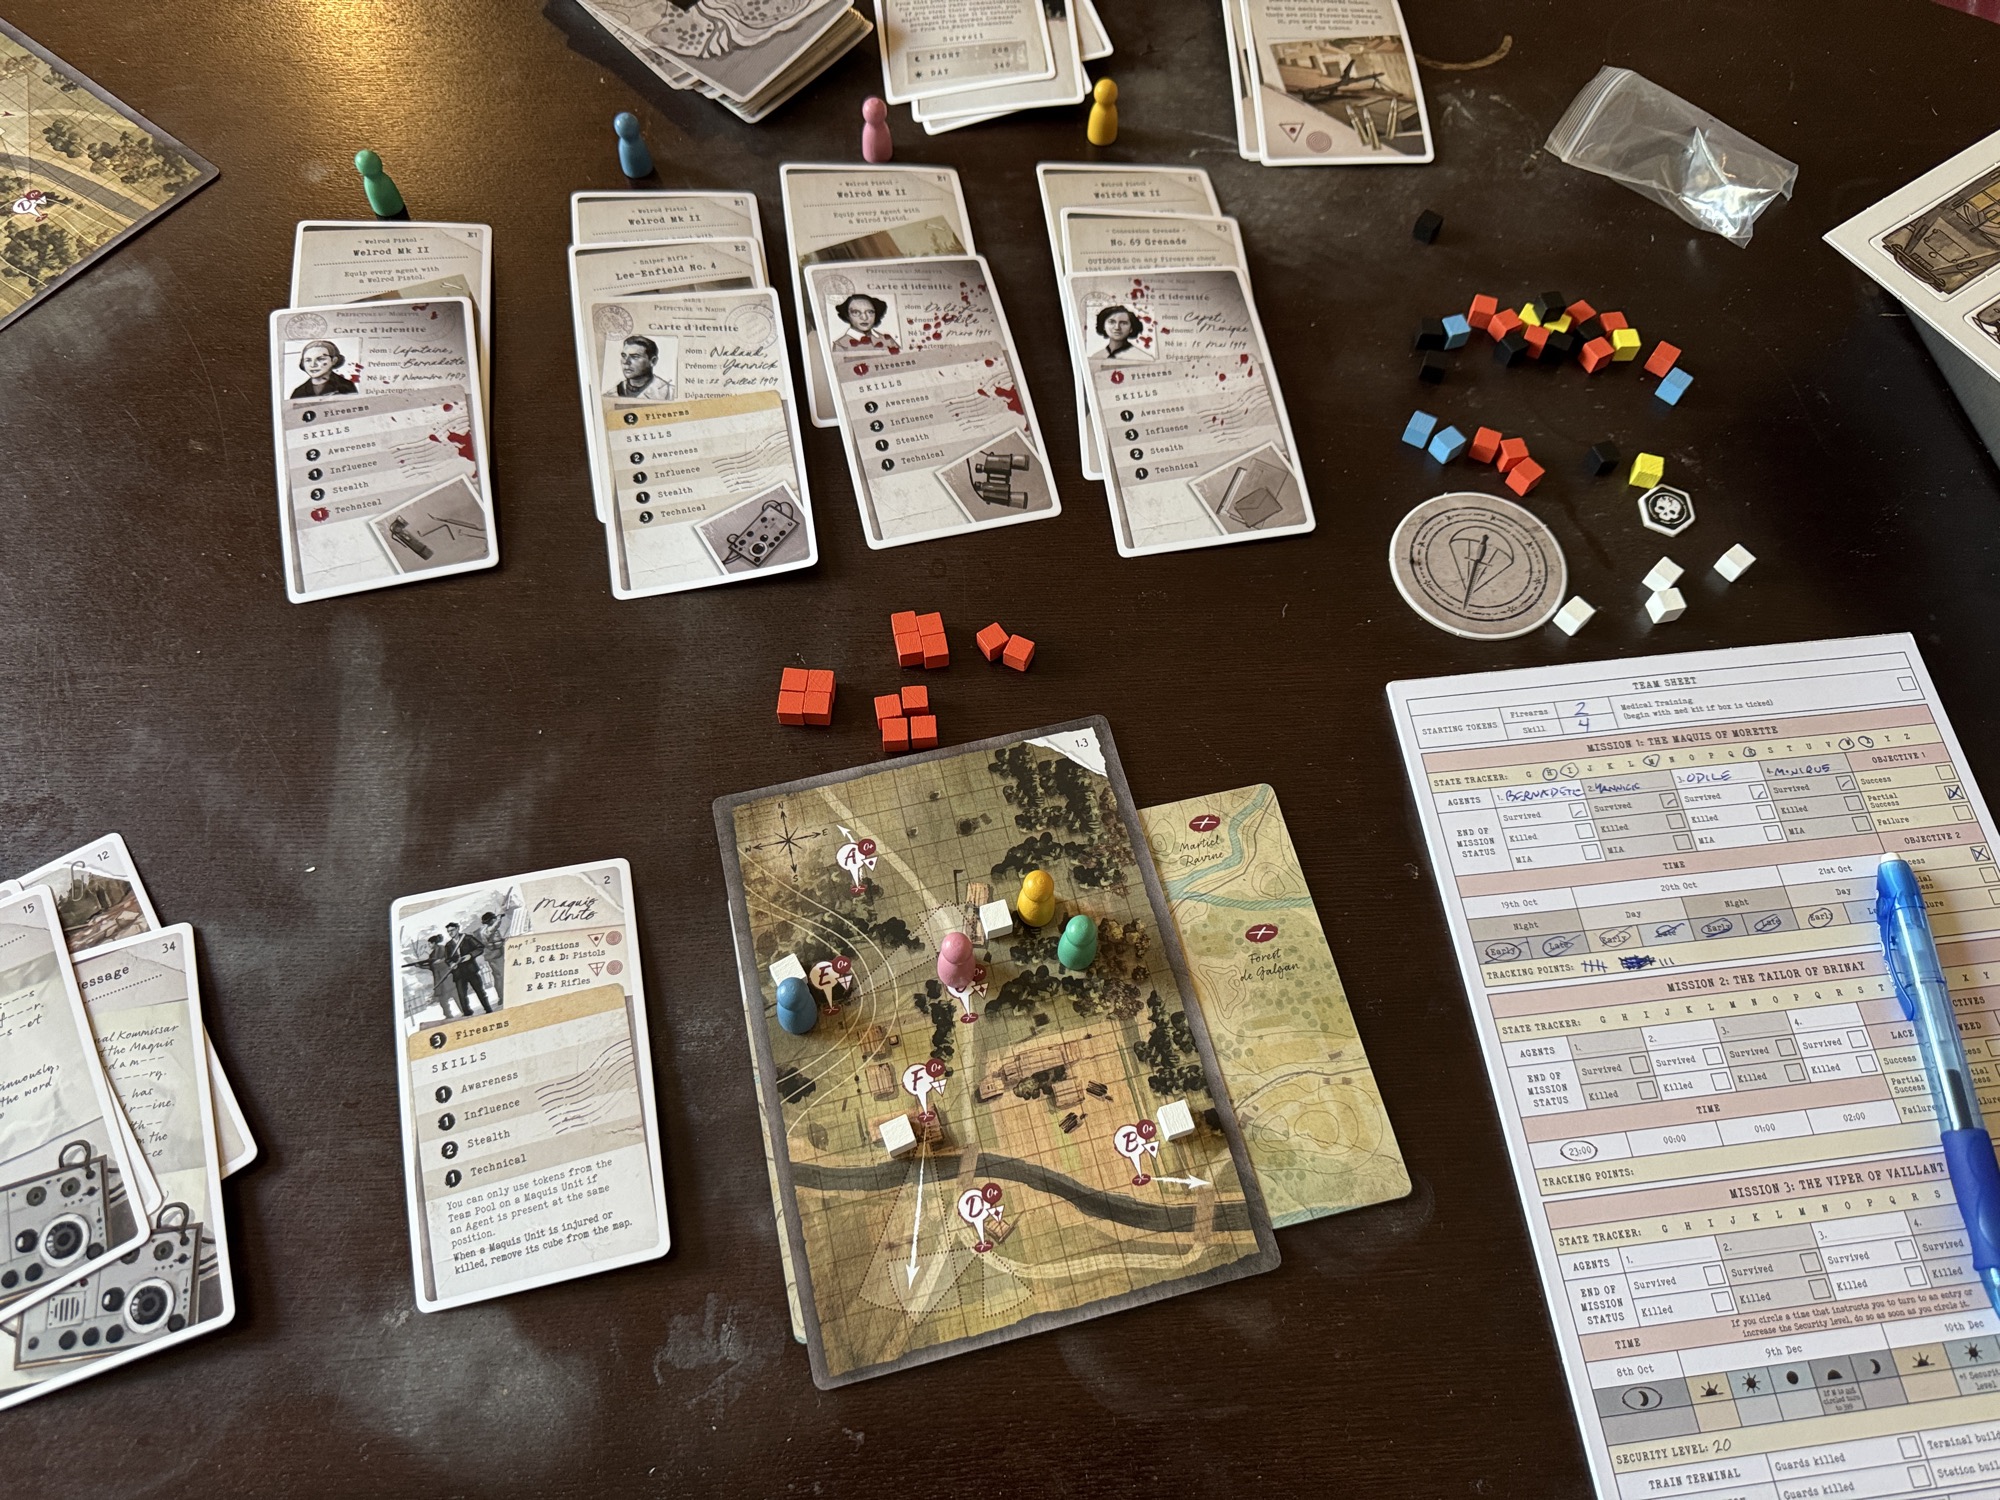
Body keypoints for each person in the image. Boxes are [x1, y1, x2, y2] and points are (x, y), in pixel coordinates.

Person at [402, 935, 460, 1020]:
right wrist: (420, 966)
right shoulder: (432, 954)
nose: (429, 945)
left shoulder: (443, 949)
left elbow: (445, 961)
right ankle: (448, 1016)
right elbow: (432, 967)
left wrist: (437, 963)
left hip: (447, 977)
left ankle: (465, 1012)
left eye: (429, 943)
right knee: (443, 1000)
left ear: (433, 943)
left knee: (456, 996)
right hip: (439, 980)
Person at [444, 922, 491, 1015]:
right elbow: (447, 959)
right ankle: (467, 1013)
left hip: (471, 970)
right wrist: (451, 964)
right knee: (462, 995)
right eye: (448, 931)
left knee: (480, 991)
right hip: (458, 973)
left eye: (452, 930)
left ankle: (488, 1009)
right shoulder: (448, 945)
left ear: (458, 929)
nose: (450, 933)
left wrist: (470, 955)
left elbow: (480, 947)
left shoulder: (468, 938)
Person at [829, 293, 899, 352]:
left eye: (870, 312)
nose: (864, 318)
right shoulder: (840, 345)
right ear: (847, 315)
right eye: (856, 312)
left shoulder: (888, 340)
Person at [291, 340, 359, 399]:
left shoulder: (346, 386)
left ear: (334, 360)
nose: (313, 365)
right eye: (308, 360)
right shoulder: (298, 392)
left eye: (320, 359)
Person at [478, 910, 506, 1007]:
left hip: (498, 953)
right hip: (494, 956)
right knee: (500, 976)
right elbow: (493, 929)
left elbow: (496, 939)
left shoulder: (490, 929)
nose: (494, 920)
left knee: (501, 976)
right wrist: (499, 918)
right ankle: (502, 997)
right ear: (490, 920)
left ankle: (504, 996)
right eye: (493, 919)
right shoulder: (486, 930)